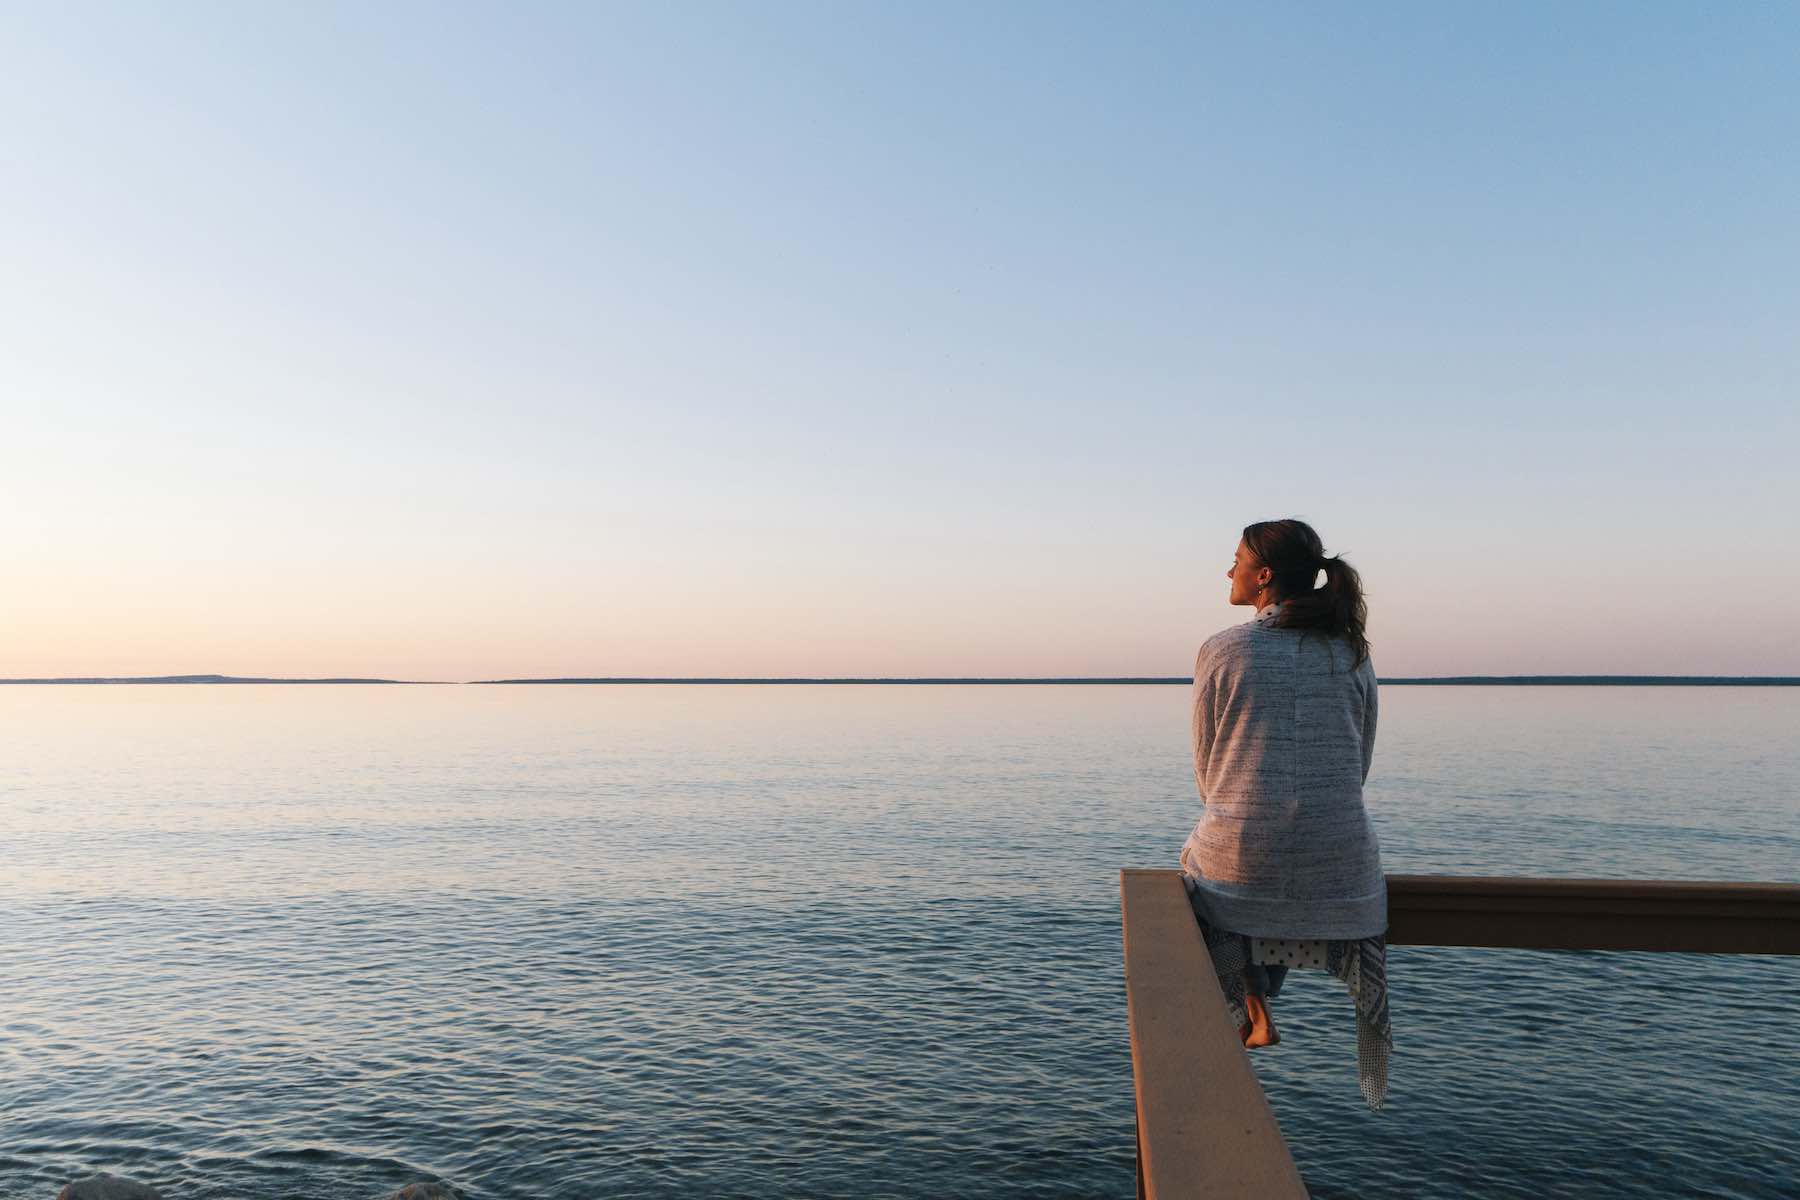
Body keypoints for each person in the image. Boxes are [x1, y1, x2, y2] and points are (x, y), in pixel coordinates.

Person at [1178, 517, 1392, 1107]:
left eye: (1237, 561)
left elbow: (1207, 770)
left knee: (1208, 867)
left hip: (1243, 861)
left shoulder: (1223, 649)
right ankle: (1260, 998)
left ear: (1264, 577)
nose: (1229, 571)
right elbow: (1361, 757)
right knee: (1268, 866)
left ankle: (1252, 1003)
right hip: (1343, 864)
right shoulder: (1351, 651)